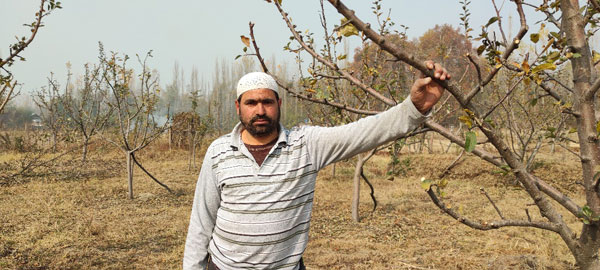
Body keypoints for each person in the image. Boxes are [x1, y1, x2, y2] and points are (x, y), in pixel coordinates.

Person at [183, 61, 450, 270]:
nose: (260, 111)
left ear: (278, 104)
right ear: (238, 107)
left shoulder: (306, 144)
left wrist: (413, 108)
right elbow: (201, 223)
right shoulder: (218, 151)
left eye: (267, 102)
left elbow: (365, 131)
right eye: (251, 103)